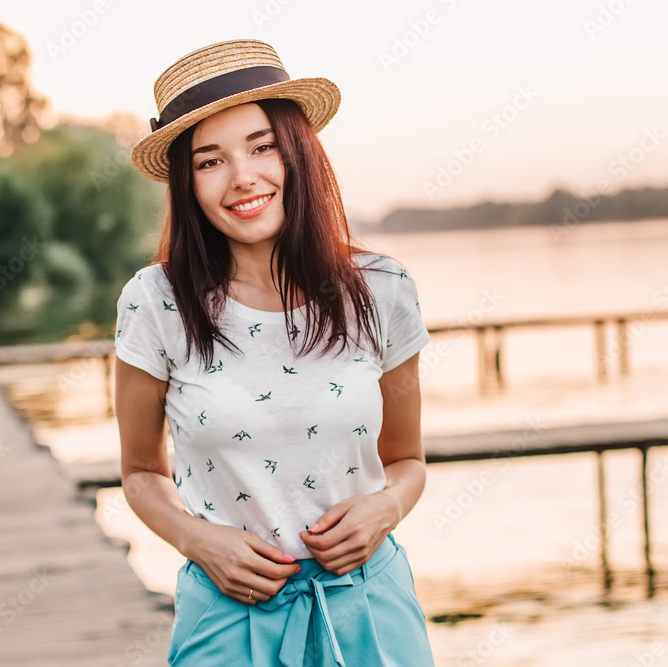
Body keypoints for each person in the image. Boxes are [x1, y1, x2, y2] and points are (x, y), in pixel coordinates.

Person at [113, 38, 436, 666]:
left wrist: (386, 509)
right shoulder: (154, 303)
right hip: (229, 621)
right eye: (210, 161)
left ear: (297, 154)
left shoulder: (383, 289)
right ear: (187, 182)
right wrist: (199, 541)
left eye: (262, 147)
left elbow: (408, 460)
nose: (243, 178)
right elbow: (140, 472)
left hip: (371, 612)